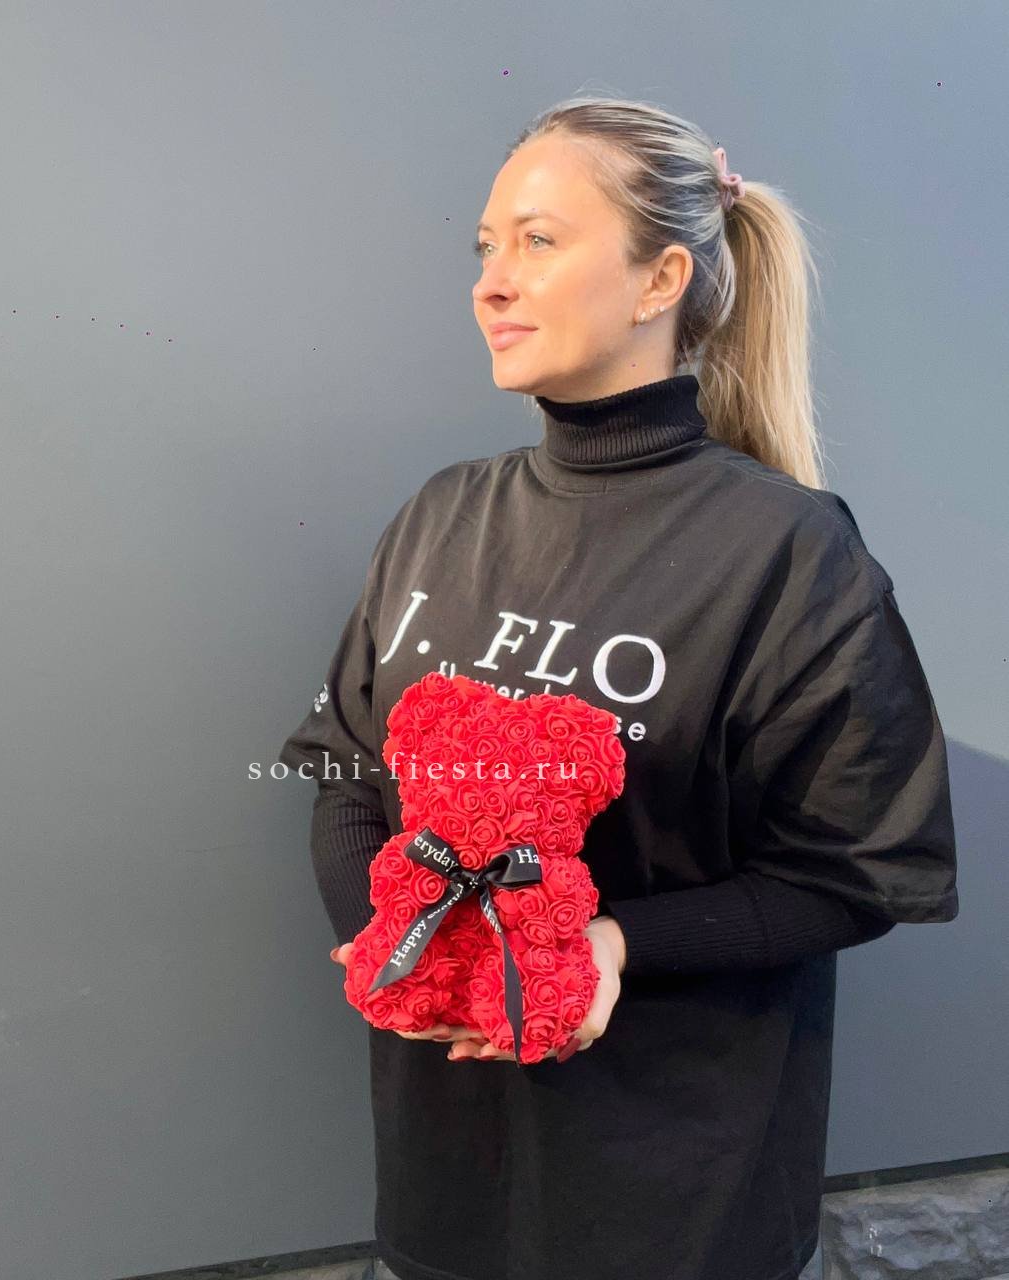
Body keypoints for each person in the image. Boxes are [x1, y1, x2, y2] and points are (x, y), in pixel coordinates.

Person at [277, 94, 958, 1280]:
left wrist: (608, 943)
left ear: (660, 279)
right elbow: (345, 759)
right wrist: (394, 939)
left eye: (538, 240)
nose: (491, 282)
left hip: (677, 1206)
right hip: (445, 1194)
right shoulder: (442, 514)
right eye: (484, 247)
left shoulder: (788, 552)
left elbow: (858, 870)